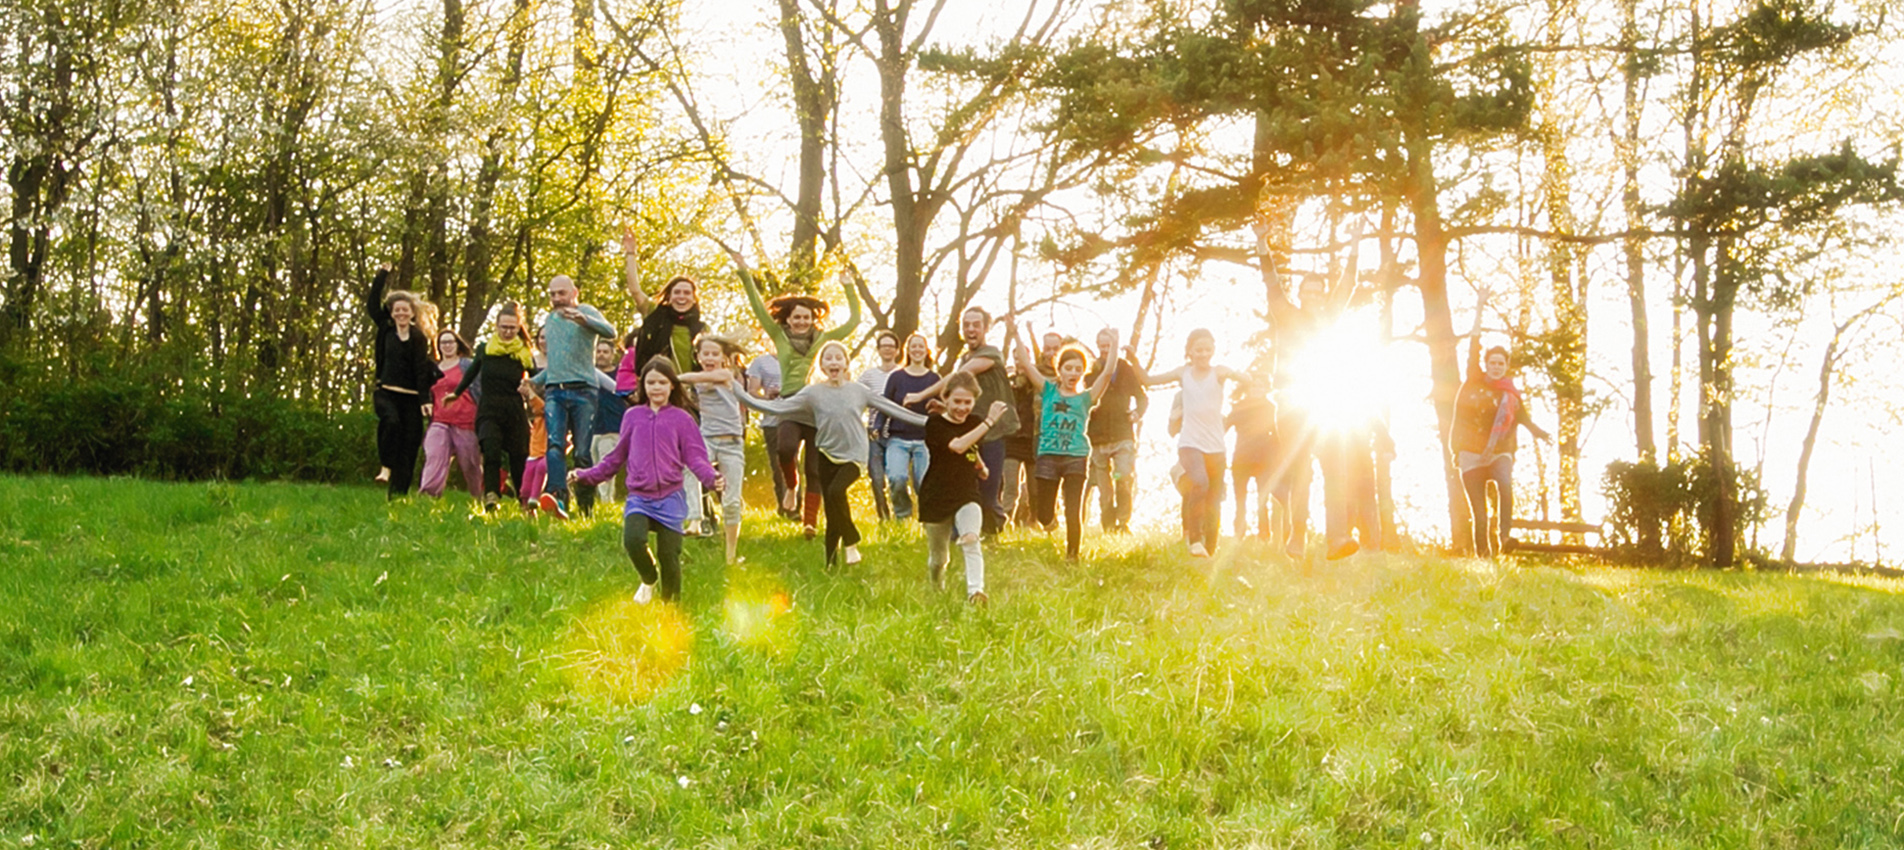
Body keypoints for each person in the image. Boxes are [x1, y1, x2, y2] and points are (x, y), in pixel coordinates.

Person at [735, 340, 927, 567]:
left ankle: (851, 540)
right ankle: (830, 563)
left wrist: (931, 422)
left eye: (839, 358)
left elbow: (894, 410)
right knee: (833, 506)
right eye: (829, 358)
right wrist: (738, 392)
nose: (834, 362)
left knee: (836, 492)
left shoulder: (859, 391)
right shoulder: (812, 393)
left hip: (854, 455)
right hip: (826, 453)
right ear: (822, 365)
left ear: (846, 364)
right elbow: (777, 408)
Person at [726, 247, 862, 538]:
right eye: (797, 317)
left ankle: (809, 522)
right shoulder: (779, 336)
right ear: (787, 319)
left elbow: (853, 322)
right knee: (785, 448)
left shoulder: (823, 338)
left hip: (816, 405)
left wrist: (849, 287)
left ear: (814, 320)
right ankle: (791, 486)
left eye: (807, 318)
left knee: (815, 467)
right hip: (789, 403)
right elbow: (758, 307)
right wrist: (743, 271)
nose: (802, 322)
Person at [570, 357, 722, 604]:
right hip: (640, 497)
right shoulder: (633, 416)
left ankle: (670, 607)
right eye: (651, 382)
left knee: (669, 555)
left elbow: (696, 458)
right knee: (633, 540)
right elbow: (615, 458)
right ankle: (649, 579)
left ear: (672, 385)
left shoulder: (682, 419)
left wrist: (712, 478)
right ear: (643, 386)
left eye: (662, 382)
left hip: (671, 497)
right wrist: (586, 475)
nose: (656, 388)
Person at [902, 307, 1019, 534]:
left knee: (988, 487)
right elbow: (965, 394)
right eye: (966, 325)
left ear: (986, 328)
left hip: (993, 432)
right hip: (969, 430)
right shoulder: (966, 356)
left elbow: (959, 378)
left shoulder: (991, 353)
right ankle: (960, 534)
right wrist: (945, 406)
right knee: (964, 485)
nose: (971, 329)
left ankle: (993, 533)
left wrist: (920, 395)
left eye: (976, 324)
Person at [1450, 297, 1551, 556]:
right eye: (1492, 363)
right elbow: (1473, 346)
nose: (1496, 367)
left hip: (1500, 451)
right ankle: (1483, 558)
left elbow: (1524, 419)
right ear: (1486, 365)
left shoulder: (1511, 395)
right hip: (1470, 453)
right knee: (1480, 514)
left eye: (1500, 364)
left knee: (1505, 483)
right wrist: (1479, 309)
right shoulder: (1474, 381)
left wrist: (1539, 432)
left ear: (1506, 367)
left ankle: (1505, 536)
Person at [1146, 328, 1252, 558]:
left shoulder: (1219, 372)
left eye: (1207, 349)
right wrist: (1132, 361)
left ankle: (1209, 550)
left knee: (1214, 499)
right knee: (1200, 483)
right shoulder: (1183, 373)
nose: (1203, 354)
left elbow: (1246, 380)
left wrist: (1238, 375)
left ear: (1213, 350)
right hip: (1190, 443)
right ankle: (1194, 539)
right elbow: (1148, 380)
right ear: (1190, 352)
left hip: (1216, 446)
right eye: (1198, 349)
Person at [1016, 340, 1119, 561]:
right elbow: (1026, 365)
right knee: (1044, 514)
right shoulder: (1048, 390)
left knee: (1073, 510)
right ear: (1059, 370)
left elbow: (1109, 371)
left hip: (1076, 456)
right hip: (1048, 456)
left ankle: (1072, 555)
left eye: (1078, 369)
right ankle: (1050, 523)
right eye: (1068, 368)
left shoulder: (1086, 398)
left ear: (1084, 372)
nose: (1073, 373)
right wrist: (1015, 334)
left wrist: (1115, 342)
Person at [919, 372, 1010, 606]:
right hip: (936, 495)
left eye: (967, 402)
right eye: (956, 401)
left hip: (967, 492)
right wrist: (989, 422)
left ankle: (975, 592)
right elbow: (958, 445)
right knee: (938, 559)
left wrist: (980, 465)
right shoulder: (935, 424)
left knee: (971, 538)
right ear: (945, 398)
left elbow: (971, 447)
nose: (962, 407)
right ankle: (936, 586)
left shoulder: (974, 422)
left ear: (974, 402)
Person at [537, 274, 618, 519]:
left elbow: (611, 332)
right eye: (552, 294)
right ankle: (558, 497)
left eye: (561, 293)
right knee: (554, 445)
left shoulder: (586, 310)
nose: (557, 298)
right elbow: (556, 362)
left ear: (574, 293)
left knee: (583, 452)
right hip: (554, 390)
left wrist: (585, 321)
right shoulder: (550, 319)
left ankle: (585, 507)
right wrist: (534, 381)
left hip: (584, 390)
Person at [445, 302, 537, 514]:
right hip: (489, 409)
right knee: (491, 449)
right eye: (503, 327)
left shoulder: (523, 353)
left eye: (512, 328)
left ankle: (524, 502)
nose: (507, 332)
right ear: (496, 326)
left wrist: (536, 394)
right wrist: (456, 393)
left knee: (518, 457)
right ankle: (492, 496)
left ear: (518, 328)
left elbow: (537, 378)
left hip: (514, 410)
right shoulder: (485, 349)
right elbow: (471, 373)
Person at [365, 265, 441, 498]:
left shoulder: (418, 337)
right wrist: (382, 276)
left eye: (404, 310)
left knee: (409, 446)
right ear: (392, 312)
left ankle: (397, 497)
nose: (400, 314)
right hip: (386, 393)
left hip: (411, 398)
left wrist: (424, 399)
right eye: (396, 310)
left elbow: (420, 369)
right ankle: (386, 465)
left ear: (411, 313)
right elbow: (371, 305)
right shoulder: (386, 329)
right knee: (391, 422)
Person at [680, 334, 750, 564]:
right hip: (706, 439)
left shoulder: (726, 375)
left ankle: (730, 555)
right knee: (689, 467)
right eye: (705, 354)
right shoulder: (699, 380)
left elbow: (695, 377)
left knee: (730, 501)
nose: (709, 357)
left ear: (724, 359)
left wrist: (674, 376)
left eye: (714, 354)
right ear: (698, 357)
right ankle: (695, 520)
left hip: (731, 443)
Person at [619, 226, 707, 375]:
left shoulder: (701, 329)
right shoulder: (656, 313)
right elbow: (635, 290)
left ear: (693, 299)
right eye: (677, 292)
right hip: (657, 384)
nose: (681, 297)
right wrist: (630, 253)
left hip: (689, 388)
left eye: (686, 293)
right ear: (670, 296)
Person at [1085, 328, 1148, 532]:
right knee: (1104, 489)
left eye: (1109, 346)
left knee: (1123, 478)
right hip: (1097, 437)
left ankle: (1123, 522)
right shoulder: (1090, 370)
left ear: (1115, 346)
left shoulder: (1125, 368)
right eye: (1102, 346)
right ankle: (1108, 526)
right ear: (1097, 346)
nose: (1105, 350)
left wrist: (1137, 413)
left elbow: (1142, 396)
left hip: (1122, 434)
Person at [880, 333, 940, 521]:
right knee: (897, 479)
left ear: (926, 350)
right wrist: (878, 429)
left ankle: (926, 519)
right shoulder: (896, 377)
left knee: (924, 483)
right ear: (908, 350)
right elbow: (885, 405)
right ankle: (903, 516)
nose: (917, 350)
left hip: (925, 440)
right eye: (913, 346)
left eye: (921, 346)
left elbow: (942, 409)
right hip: (898, 439)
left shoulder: (935, 379)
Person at [421, 329, 483, 499]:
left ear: (457, 345)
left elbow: (480, 390)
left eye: (450, 342)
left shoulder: (467, 365)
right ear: (438, 346)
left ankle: (481, 497)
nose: (447, 346)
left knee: (471, 464)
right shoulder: (432, 368)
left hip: (466, 420)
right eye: (443, 343)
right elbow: (425, 392)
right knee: (434, 456)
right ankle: (428, 495)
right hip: (439, 420)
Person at [1227, 380, 1284, 541]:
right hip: (1241, 459)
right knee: (1239, 500)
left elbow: (1277, 434)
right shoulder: (1239, 407)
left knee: (1263, 499)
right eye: (1254, 385)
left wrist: (1278, 457)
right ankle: (1238, 535)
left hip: (1263, 460)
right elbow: (1224, 427)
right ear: (1248, 387)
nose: (1257, 389)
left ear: (1267, 389)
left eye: (1261, 386)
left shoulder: (1271, 408)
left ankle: (1264, 536)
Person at [856, 330, 901, 522]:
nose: (888, 350)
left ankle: (902, 515)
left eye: (891, 346)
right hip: (874, 432)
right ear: (879, 350)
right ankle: (884, 516)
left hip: (898, 432)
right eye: (884, 346)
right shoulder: (868, 376)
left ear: (897, 350)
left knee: (896, 477)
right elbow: (855, 399)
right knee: (876, 477)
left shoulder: (903, 374)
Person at [745, 350, 794, 520]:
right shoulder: (761, 362)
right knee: (778, 464)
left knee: (795, 463)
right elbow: (752, 392)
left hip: (796, 418)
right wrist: (768, 396)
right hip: (772, 421)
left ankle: (795, 509)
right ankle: (784, 507)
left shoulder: (800, 359)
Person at [589, 339, 628, 506]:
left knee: (606, 461)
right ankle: (602, 499)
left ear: (613, 355)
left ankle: (607, 501)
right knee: (595, 463)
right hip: (592, 427)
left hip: (614, 425)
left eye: (605, 352)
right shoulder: (588, 375)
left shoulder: (621, 375)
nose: (601, 355)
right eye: (598, 351)